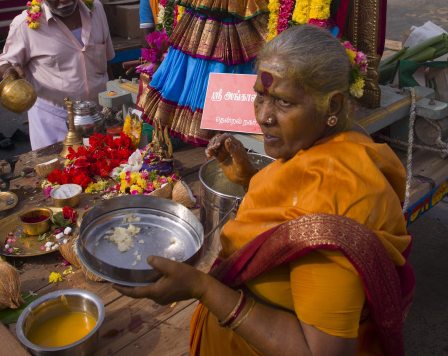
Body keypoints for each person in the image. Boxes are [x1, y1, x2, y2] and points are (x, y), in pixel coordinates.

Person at [117, 25, 414, 356]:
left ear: (332, 108)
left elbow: (321, 352)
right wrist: (252, 179)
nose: (263, 116)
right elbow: (295, 206)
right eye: (260, 95)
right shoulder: (339, 142)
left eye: (284, 102)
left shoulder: (338, 204)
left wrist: (202, 287)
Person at [0, 0, 114, 150]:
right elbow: (5, 61)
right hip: (54, 123)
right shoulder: (25, 25)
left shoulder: (96, 9)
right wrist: (10, 72)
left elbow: (108, 62)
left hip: (97, 117)